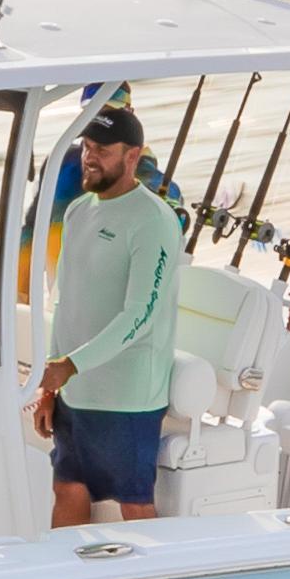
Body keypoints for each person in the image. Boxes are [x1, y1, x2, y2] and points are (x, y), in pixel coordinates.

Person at [32, 100, 179, 525]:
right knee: (68, 488)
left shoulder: (154, 221)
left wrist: (70, 366)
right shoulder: (79, 210)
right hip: (75, 388)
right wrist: (52, 387)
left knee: (133, 503)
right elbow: (66, 301)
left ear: (132, 156)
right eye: (87, 147)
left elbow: (139, 315)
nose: (90, 158)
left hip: (127, 396)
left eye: (103, 150)